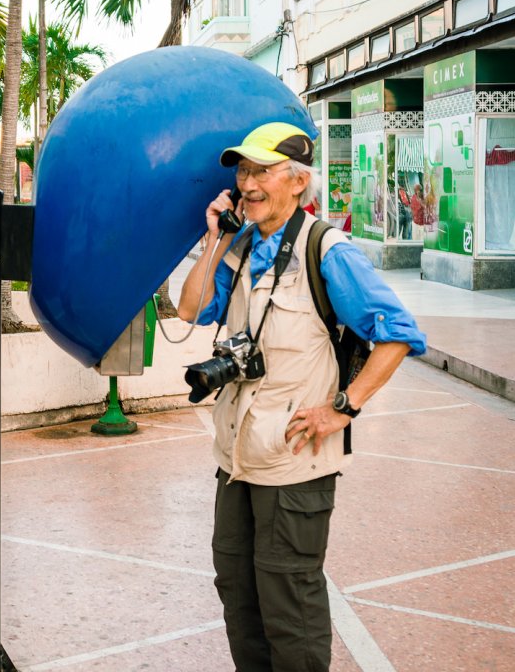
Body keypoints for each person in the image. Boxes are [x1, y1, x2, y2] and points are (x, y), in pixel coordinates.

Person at [177, 122, 426, 672]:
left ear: (297, 181)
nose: (247, 183)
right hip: (237, 460)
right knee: (238, 593)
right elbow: (189, 310)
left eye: (261, 171)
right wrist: (216, 237)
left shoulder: (328, 250)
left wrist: (345, 407)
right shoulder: (239, 247)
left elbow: (399, 335)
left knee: (290, 602)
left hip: (294, 463)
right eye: (242, 171)